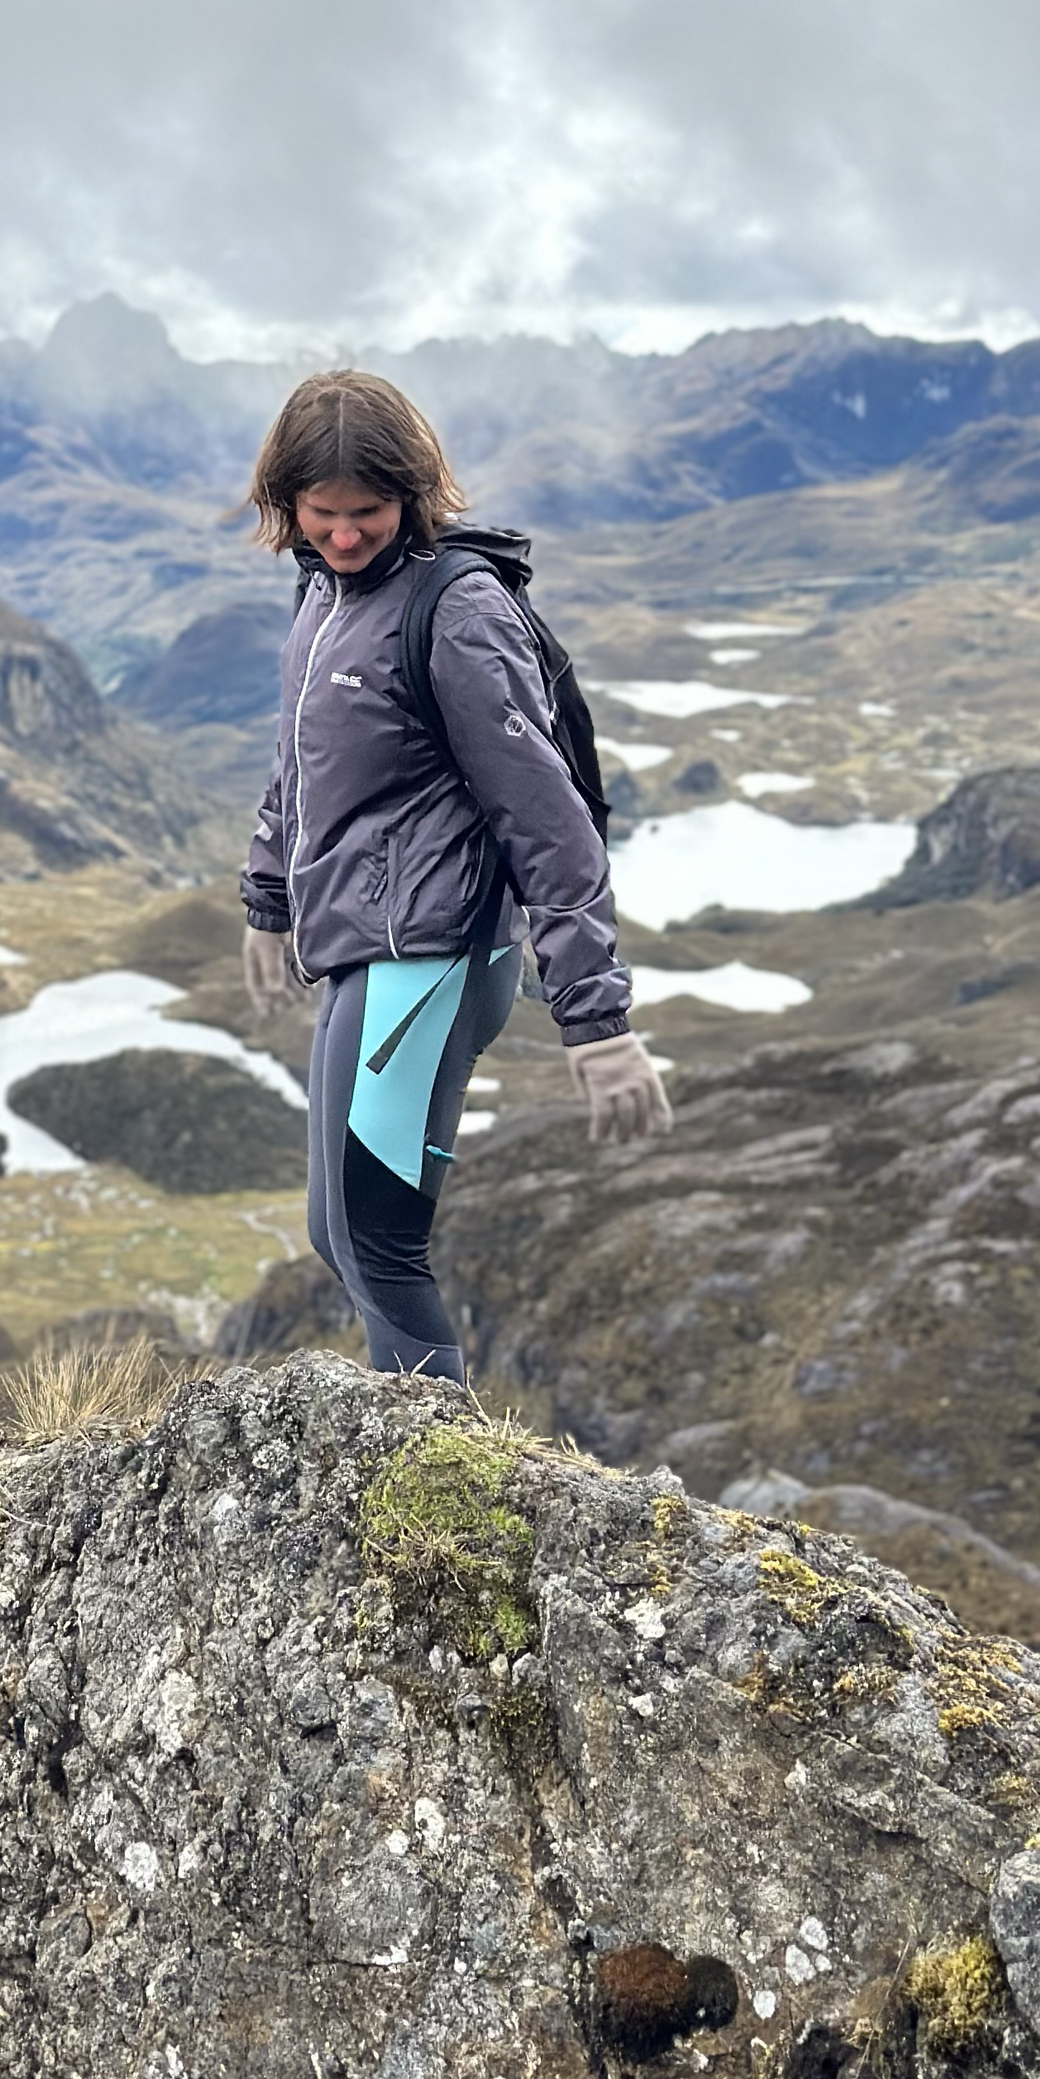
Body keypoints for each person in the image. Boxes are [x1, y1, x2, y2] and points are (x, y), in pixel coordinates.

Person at [238, 369, 672, 1382]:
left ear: (412, 493)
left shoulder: (458, 609)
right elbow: (298, 762)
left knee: (378, 1244)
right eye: (323, 513)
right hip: (366, 946)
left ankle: (429, 1490)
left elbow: (549, 817)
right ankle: (419, 1472)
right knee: (334, 1233)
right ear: (286, 504)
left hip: (430, 955)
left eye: (369, 513)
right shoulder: (324, 592)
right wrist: (268, 901)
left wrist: (596, 1021)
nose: (345, 535)